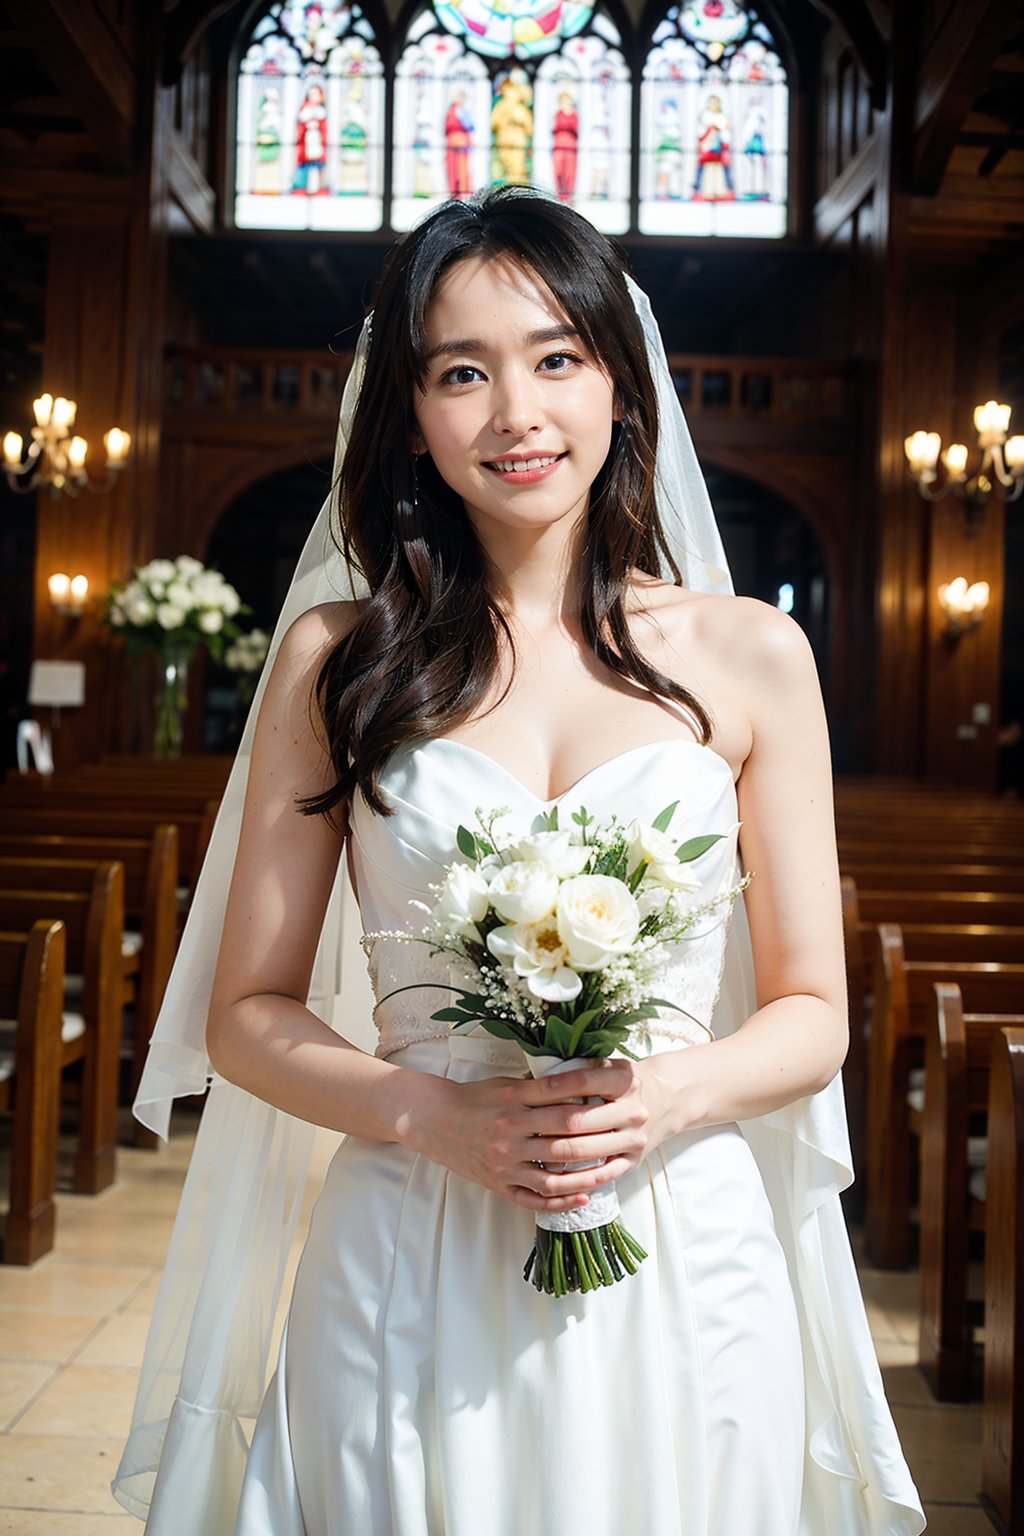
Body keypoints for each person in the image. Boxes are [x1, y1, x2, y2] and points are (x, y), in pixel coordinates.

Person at [114, 187, 925, 1535]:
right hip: (408, 1227)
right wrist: (427, 1115)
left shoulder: (752, 659)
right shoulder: (337, 660)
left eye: (556, 358)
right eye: (461, 373)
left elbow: (811, 1017)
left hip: (678, 1234)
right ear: (412, 414)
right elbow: (245, 1017)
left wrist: (660, 1099)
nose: (516, 414)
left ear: (621, 381)